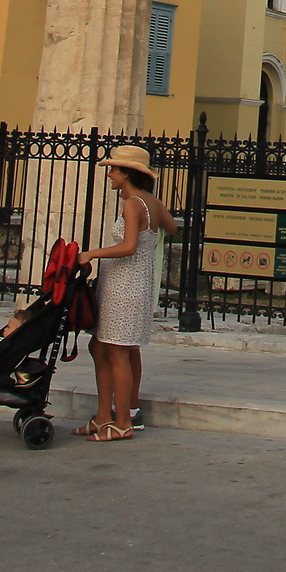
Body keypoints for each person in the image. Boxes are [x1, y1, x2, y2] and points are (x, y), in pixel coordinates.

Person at [73, 145, 173, 440]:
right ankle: (107, 415)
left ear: (127, 173)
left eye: (114, 169)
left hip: (125, 286)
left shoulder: (132, 204)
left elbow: (128, 246)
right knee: (108, 348)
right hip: (133, 283)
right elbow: (170, 227)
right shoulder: (150, 202)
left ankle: (122, 421)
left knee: (116, 350)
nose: (110, 174)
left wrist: (91, 254)